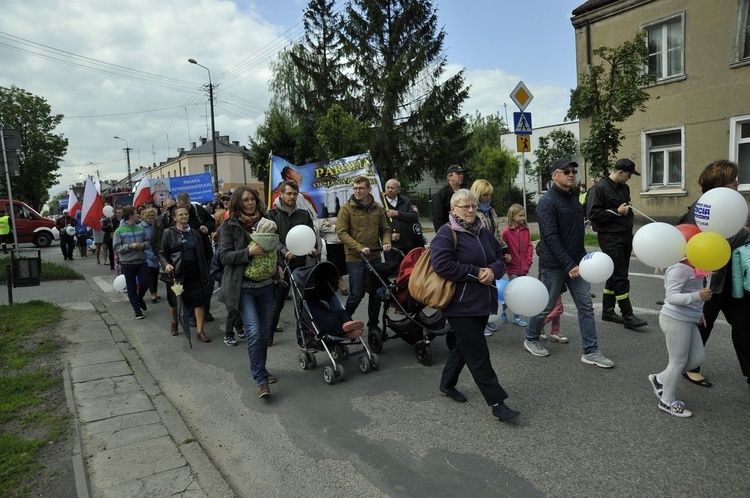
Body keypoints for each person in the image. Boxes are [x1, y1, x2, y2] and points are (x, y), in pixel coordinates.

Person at [431, 188, 520, 422]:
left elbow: (499, 258)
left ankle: (446, 384)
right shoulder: (446, 232)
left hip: (483, 300)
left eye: (473, 206)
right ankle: (497, 404)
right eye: (464, 206)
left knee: (464, 346)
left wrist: (493, 270)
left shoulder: (483, 231)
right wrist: (476, 272)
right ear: (453, 209)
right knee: (478, 353)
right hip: (460, 305)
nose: (470, 210)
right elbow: (442, 265)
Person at [523, 157, 614, 368]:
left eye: (573, 170)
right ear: (554, 176)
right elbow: (550, 238)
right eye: (566, 171)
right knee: (545, 306)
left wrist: (581, 260)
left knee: (586, 306)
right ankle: (530, 337)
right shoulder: (546, 203)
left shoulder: (574, 197)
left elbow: (577, 231)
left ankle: (590, 351)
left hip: (577, 262)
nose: (571, 174)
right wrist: (569, 265)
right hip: (555, 264)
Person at [681, 159, 750, 387]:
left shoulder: (730, 204)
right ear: (721, 183)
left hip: (732, 279)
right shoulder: (702, 208)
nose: (737, 183)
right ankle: (690, 367)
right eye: (733, 180)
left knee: (744, 323)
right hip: (707, 280)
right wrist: (746, 232)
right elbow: (718, 240)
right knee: (703, 323)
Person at [219, 187, 277, 398]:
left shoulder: (266, 220)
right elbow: (224, 257)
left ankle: (261, 368)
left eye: (252, 199)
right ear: (238, 203)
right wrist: (249, 252)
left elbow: (273, 246)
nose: (250, 203)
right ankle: (261, 380)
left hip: (266, 283)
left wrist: (279, 260)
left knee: (263, 332)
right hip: (242, 286)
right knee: (252, 331)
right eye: (245, 200)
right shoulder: (229, 226)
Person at [586, 158, 648, 329]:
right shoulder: (599, 188)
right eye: (629, 174)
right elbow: (593, 214)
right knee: (620, 276)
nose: (630, 178)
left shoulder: (624, 188)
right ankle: (628, 315)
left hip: (625, 235)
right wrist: (616, 212)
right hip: (610, 237)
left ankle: (607, 311)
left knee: (613, 273)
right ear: (620, 172)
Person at [649, 258, 713, 418]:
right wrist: (698, 295)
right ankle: (667, 401)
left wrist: (699, 313)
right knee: (678, 363)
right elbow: (671, 297)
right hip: (675, 318)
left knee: (698, 358)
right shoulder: (679, 268)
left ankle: (660, 378)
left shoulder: (696, 266)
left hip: (689, 319)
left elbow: (695, 296)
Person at [336, 176, 392, 335]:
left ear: (368, 189)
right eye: (355, 188)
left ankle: (373, 325)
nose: (357, 191)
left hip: (374, 257)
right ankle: (344, 320)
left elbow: (385, 229)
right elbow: (341, 233)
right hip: (355, 258)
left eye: (361, 188)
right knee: (357, 293)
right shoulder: (346, 209)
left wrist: (386, 241)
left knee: (375, 293)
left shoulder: (377, 208)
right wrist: (360, 247)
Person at [267, 180, 318, 346]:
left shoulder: (303, 214)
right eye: (289, 193)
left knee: (301, 304)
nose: (292, 197)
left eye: (295, 194)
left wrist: (313, 248)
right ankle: (268, 336)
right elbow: (271, 240)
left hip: (301, 265)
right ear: (280, 194)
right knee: (276, 304)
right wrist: (283, 252)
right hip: (280, 266)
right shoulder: (271, 215)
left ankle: (303, 338)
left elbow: (310, 235)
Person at [159, 205, 211, 342]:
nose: (184, 216)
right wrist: (167, 265)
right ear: (175, 218)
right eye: (181, 214)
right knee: (175, 302)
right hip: (176, 274)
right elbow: (162, 253)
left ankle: (200, 331)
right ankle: (175, 322)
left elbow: (201, 254)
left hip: (194, 272)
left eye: (186, 214)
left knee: (199, 301)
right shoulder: (168, 233)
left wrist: (205, 272)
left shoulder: (194, 233)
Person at [469, 179, 510, 335]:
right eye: (485, 195)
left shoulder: (490, 210)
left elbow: (496, 231)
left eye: (490, 194)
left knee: (491, 287)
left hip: (492, 251)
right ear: (478, 194)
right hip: (479, 253)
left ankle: (487, 318)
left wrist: (504, 248)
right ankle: (481, 322)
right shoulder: (473, 212)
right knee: (481, 287)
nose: (488, 198)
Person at [174, 192, 216, 323]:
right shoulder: (173, 215)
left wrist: (206, 228)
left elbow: (212, 222)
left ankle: (205, 310)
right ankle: (191, 314)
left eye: (187, 207)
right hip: (187, 258)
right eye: (182, 208)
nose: (185, 212)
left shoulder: (198, 209)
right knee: (189, 288)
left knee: (208, 284)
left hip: (204, 254)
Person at [113, 206, 150, 320]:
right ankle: (137, 309)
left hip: (141, 260)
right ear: (131, 216)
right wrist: (130, 246)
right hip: (127, 262)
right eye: (136, 213)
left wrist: (143, 246)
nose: (138, 215)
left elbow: (147, 241)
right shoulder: (119, 231)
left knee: (145, 283)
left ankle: (139, 298)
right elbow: (116, 247)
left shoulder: (140, 228)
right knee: (131, 286)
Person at [501, 204, 534, 327]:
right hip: (512, 267)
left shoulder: (526, 230)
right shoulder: (506, 232)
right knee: (516, 293)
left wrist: (529, 260)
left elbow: (529, 246)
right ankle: (516, 316)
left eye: (524, 215)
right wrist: (505, 258)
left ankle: (503, 308)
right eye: (520, 215)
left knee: (517, 292)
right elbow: (503, 248)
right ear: (513, 216)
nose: (523, 218)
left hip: (523, 267)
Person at [383, 178, 423, 261]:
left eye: (392, 188)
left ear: (398, 190)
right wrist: (389, 236)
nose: (390, 190)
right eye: (388, 187)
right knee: (392, 270)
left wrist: (397, 214)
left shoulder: (405, 201)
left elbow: (413, 217)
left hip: (406, 244)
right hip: (391, 245)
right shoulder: (381, 203)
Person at [318, 216, 348, 295]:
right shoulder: (323, 207)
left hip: (345, 239)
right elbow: (321, 226)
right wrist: (336, 227)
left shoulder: (343, 205)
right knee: (335, 263)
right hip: (332, 241)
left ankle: (334, 280)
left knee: (343, 263)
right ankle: (340, 282)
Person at [432, 165, 466, 231]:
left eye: (462, 173)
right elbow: (438, 218)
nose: (461, 176)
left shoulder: (465, 192)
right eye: (458, 173)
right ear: (449, 176)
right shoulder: (441, 195)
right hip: (449, 231)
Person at [139, 207, 162, 304]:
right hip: (146, 253)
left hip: (156, 252)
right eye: (149, 218)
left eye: (153, 218)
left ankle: (155, 292)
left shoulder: (157, 225)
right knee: (150, 273)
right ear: (145, 217)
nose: (151, 220)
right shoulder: (141, 227)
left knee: (155, 274)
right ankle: (152, 293)